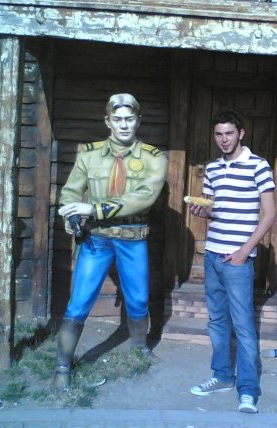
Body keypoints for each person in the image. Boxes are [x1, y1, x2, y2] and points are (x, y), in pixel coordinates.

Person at [52, 93, 168, 392]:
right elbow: (70, 192)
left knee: (138, 298)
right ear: (108, 121)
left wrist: (93, 209)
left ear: (138, 120)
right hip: (97, 239)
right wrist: (71, 215)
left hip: (132, 238)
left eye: (129, 119)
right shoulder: (89, 155)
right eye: (118, 119)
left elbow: (143, 198)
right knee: (79, 301)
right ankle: (62, 367)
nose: (124, 125)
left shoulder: (154, 158)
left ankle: (139, 347)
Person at [187, 110, 276, 414]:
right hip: (213, 255)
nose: (223, 139)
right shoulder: (213, 168)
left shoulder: (259, 165)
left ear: (241, 134)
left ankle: (248, 390)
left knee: (243, 324)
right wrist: (202, 212)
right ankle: (223, 376)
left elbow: (270, 215)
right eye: (218, 134)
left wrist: (244, 251)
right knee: (217, 321)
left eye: (229, 133)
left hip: (238, 259)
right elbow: (214, 210)